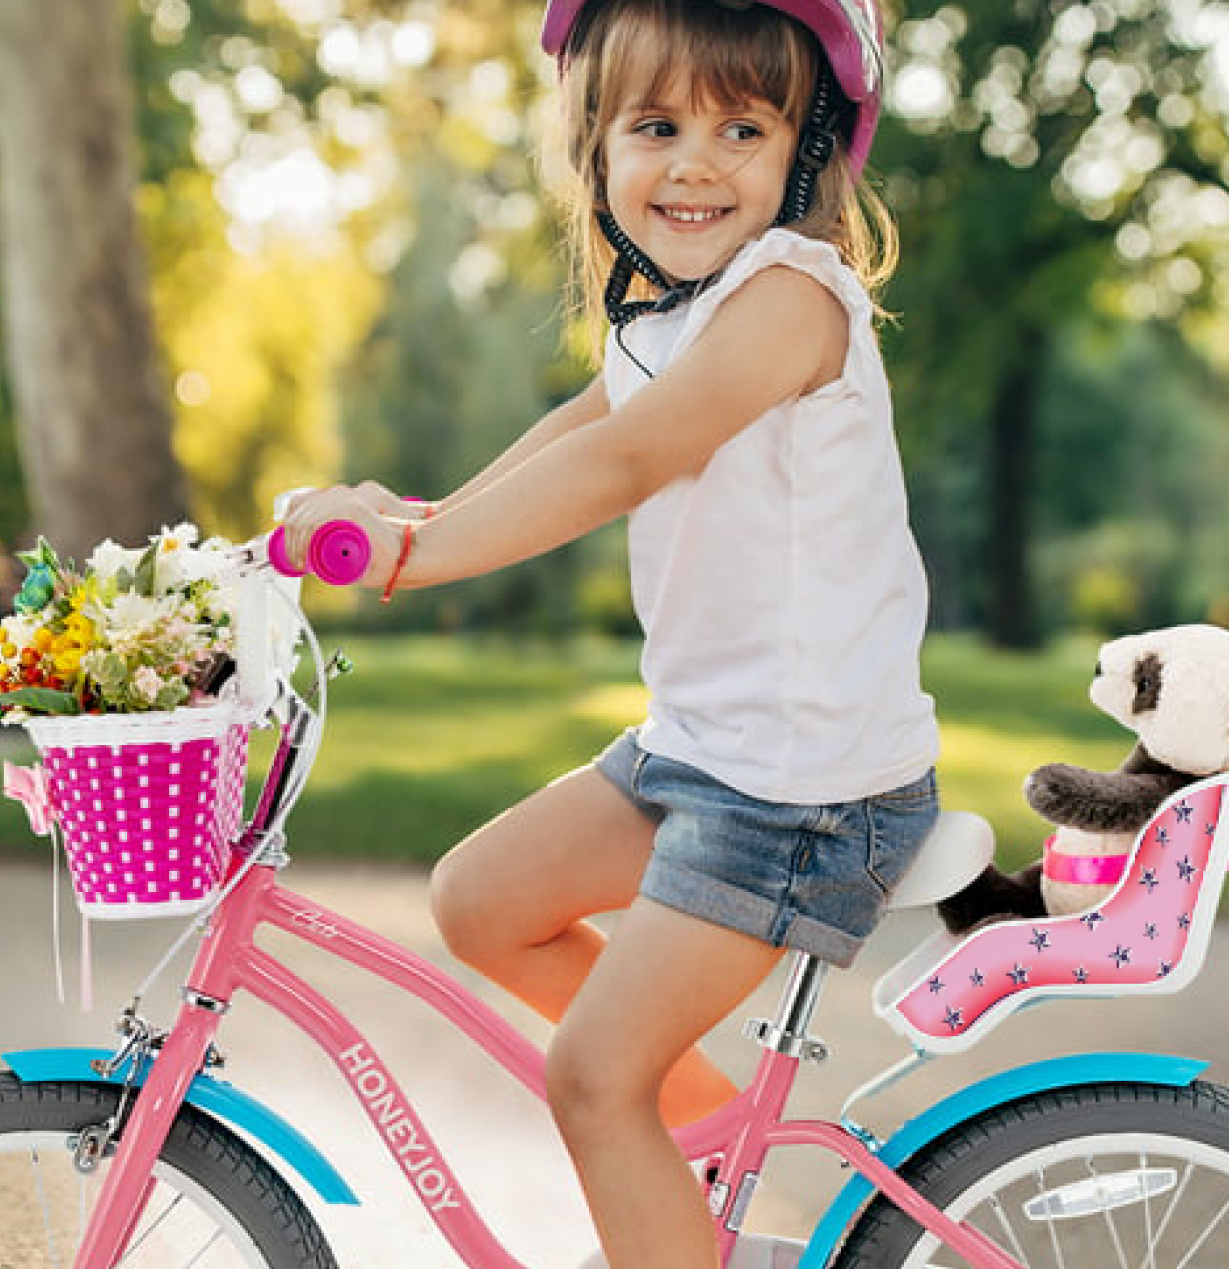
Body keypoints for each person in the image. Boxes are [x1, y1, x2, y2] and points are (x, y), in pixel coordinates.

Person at [279, 0, 940, 1262]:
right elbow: (583, 431)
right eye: (655, 125)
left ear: (805, 156)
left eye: (741, 127)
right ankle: (695, 1165)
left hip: (802, 795)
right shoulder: (663, 322)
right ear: (596, 149)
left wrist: (409, 562)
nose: (694, 162)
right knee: (480, 901)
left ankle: (656, 1180)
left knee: (591, 1080)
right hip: (708, 752)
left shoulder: (791, 299)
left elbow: (631, 460)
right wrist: (410, 517)